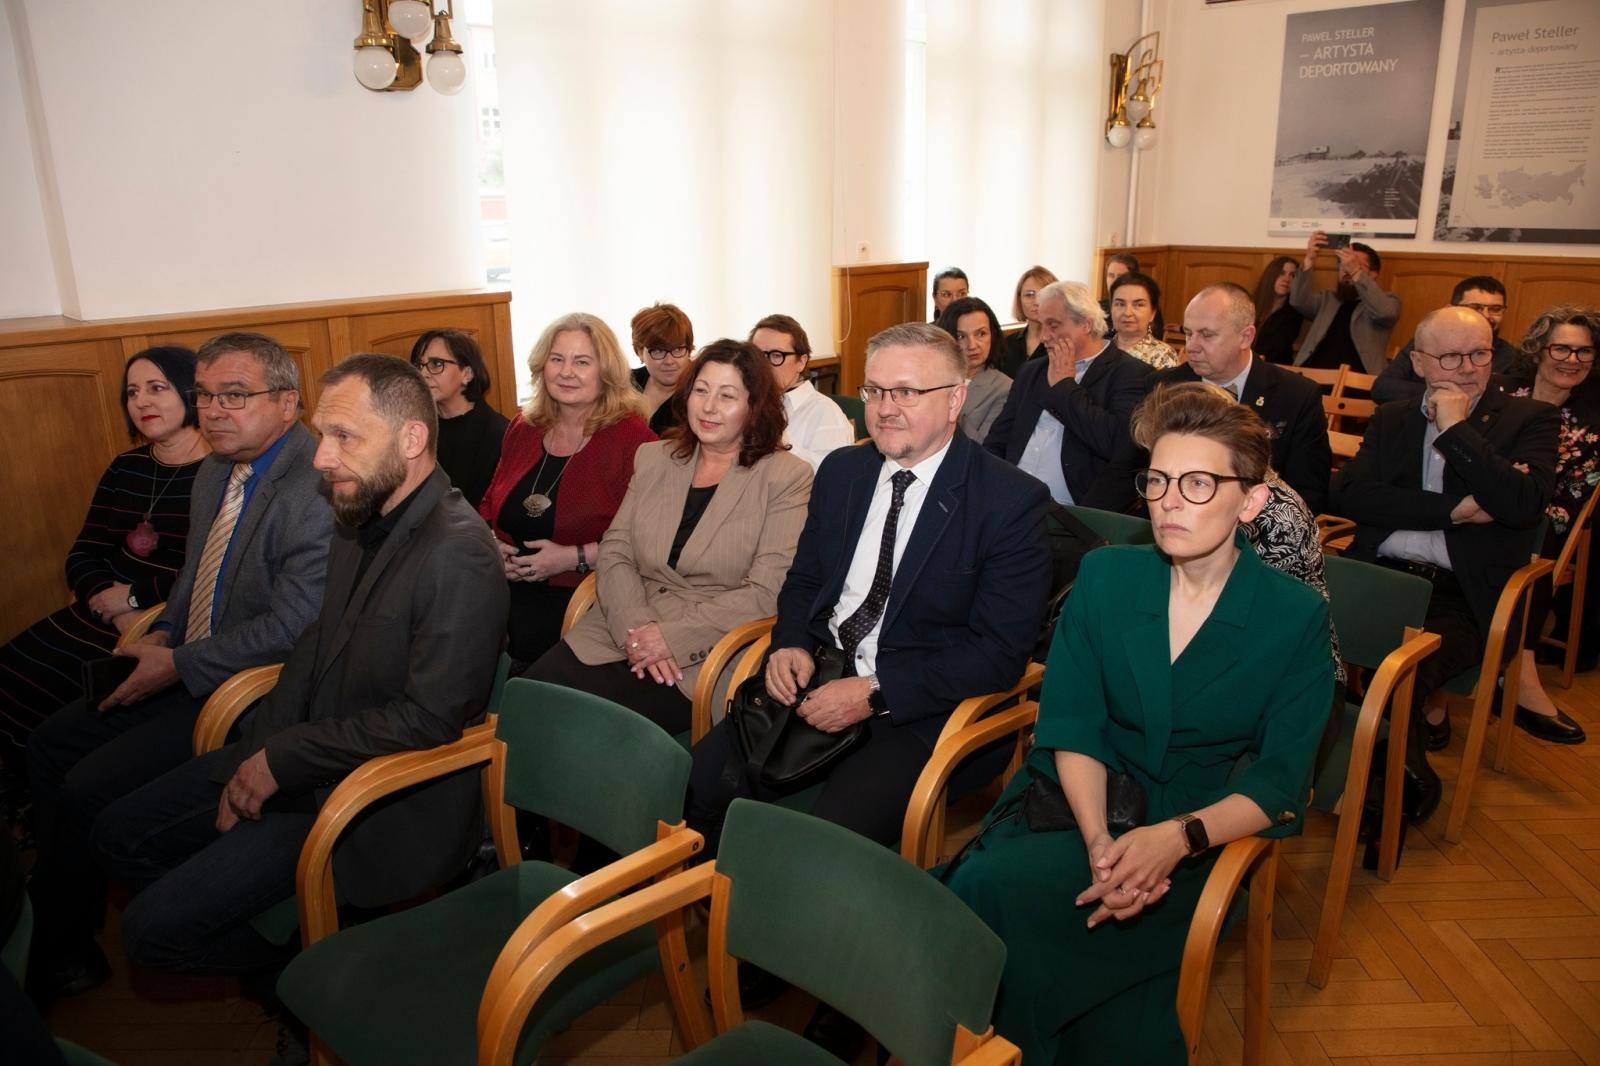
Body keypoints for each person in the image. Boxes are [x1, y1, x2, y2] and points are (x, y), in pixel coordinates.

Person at [91, 355, 504, 1002]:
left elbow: (427, 720)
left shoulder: (458, 553)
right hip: (305, 753)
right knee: (115, 833)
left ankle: (307, 976)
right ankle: (298, 957)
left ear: (412, 440)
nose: (321, 457)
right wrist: (261, 750)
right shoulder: (358, 508)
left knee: (149, 934)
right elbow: (313, 647)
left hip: (372, 796)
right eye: (322, 434)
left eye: (344, 437)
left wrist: (281, 759)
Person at [945, 383, 1334, 1064]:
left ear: (1251, 501)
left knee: (1064, 976)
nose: (1169, 500)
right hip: (1078, 804)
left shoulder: (1295, 615)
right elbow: (1072, 723)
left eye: (1197, 483)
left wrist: (1175, 841)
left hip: (1199, 834)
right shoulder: (1107, 576)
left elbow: (1280, 782)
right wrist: (1101, 842)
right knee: (991, 892)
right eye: (1157, 480)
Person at [25, 332, 333, 1000]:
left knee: (89, 790)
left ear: (286, 402)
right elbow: (195, 577)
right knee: (48, 745)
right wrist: (161, 632)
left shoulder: (314, 484)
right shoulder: (216, 469)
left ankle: (216, 921)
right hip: (188, 660)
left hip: (241, 690)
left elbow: (291, 629)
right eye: (205, 396)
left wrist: (178, 662)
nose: (214, 411)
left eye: (235, 396)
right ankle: (62, 940)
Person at [687, 322, 1050, 853]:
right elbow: (806, 578)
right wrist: (789, 640)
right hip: (821, 669)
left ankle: (774, 920)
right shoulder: (843, 471)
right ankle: (712, 909)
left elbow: (998, 653)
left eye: (906, 392)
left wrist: (876, 692)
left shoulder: (1009, 501)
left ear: (955, 400)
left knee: (824, 844)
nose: (884, 408)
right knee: (696, 783)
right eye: (875, 391)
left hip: (926, 705)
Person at [1330, 306, 1558, 821]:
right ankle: (1339, 771)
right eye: (1451, 356)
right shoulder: (1393, 418)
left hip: (1461, 594)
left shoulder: (1531, 419)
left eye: (1480, 353)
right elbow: (1351, 495)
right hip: (1379, 576)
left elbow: (1522, 504)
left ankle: (1393, 790)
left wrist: (1457, 431)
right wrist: (1455, 511)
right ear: (1419, 363)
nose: (1468, 368)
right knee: (1295, 645)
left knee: (1400, 677)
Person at [525, 340, 811, 735]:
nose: (709, 407)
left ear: (754, 406)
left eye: (727, 396)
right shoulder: (656, 457)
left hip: (702, 653)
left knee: (585, 730)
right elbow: (616, 551)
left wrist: (670, 638)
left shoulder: (785, 477)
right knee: (527, 701)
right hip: (620, 626)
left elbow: (765, 591)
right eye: (701, 391)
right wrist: (636, 629)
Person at [0, 348, 209, 783]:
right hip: (102, 608)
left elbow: (205, 571)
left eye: (157, 388)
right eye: (132, 392)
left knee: (62, 707)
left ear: (192, 392)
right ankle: (22, 797)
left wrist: (132, 602)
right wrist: (106, 601)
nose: (142, 402)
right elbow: (82, 552)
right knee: (10, 671)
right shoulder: (126, 466)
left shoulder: (220, 471)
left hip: (165, 620)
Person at [479, 313, 656, 671]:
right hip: (503, 589)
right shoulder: (523, 426)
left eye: (582, 362)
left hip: (586, 599)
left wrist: (572, 557)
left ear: (605, 372)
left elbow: (651, 539)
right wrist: (490, 546)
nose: (566, 372)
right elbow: (488, 505)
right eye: (557, 359)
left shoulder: (634, 440)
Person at [1085, 283, 1332, 516]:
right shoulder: (1163, 386)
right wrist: (1089, 520)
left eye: (1207, 335)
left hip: (1255, 531)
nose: (1192, 346)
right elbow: (1126, 468)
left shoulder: (1296, 395)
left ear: (1246, 337)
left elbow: (1308, 492)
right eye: (1189, 333)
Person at [1502, 306, 1600, 742]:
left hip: (1543, 524)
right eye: (1562, 347)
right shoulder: (1505, 394)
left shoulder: (1593, 421)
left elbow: (1572, 498)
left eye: (1584, 352)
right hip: (1484, 504)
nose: (1572, 360)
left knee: (1534, 543)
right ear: (1539, 349)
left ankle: (1516, 669)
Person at [985, 280, 1155, 505]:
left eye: (1053, 325)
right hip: (1010, 498)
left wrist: (1065, 387)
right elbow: (997, 441)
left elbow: (1115, 444)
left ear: (1085, 324)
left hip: (1075, 513)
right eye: (1041, 324)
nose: (1044, 336)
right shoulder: (1032, 371)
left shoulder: (1131, 374)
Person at [1373, 277, 1519, 405]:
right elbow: (1383, 387)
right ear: (1450, 309)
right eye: (1475, 307)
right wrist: (1443, 396)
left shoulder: (1511, 357)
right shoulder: (1428, 342)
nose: (1485, 315)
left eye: (1495, 309)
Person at [409, 328, 507, 508]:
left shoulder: (499, 433)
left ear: (467, 374)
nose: (423, 374)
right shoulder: (414, 428)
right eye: (419, 365)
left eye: (436, 364)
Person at [749, 314, 855, 471]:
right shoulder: (745, 403)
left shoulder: (825, 412)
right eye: (758, 356)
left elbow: (832, 476)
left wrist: (780, 443)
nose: (764, 366)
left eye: (776, 355)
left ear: (801, 362)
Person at [1290, 232, 1401, 374]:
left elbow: (1386, 313)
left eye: (1354, 264)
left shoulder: (1389, 301)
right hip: (1311, 376)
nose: (1346, 269)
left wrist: (1356, 272)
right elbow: (1298, 301)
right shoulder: (1327, 300)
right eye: (1343, 264)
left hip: (1356, 382)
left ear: (1373, 274)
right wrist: (1309, 258)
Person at [936, 296, 1013, 442]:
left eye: (981, 334)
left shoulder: (1005, 389)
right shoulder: (930, 378)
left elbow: (984, 447)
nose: (972, 345)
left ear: (993, 335)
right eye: (960, 336)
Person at [629, 302, 694, 435]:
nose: (669, 361)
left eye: (678, 349)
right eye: (658, 351)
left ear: (689, 350)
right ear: (639, 352)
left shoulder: (699, 394)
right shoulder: (623, 385)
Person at [1108, 271, 1178, 369]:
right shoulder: (1100, 348)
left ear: (1153, 313)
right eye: (1120, 304)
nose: (1127, 313)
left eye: (1139, 305)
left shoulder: (1163, 355)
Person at [1000, 265, 1057, 376]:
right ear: (1019, 299)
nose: (1036, 301)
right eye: (1029, 295)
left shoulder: (1063, 343)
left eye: (1043, 294)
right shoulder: (1006, 344)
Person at [1252, 256, 1305, 364]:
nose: (1286, 279)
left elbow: (1278, 345)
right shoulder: (1251, 303)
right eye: (1282, 273)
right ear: (1271, 275)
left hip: (1275, 368)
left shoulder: (1294, 312)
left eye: (1292, 275)